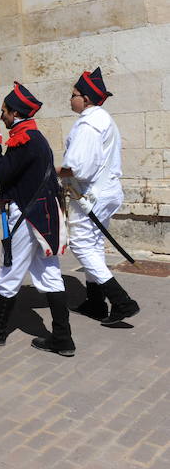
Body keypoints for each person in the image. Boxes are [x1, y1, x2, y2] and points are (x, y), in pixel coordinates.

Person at [0, 83, 74, 356]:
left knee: (9, 272)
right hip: (41, 215)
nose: (1, 116)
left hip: (28, 217)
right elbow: (22, 178)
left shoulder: (24, 139)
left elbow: (2, 173)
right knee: (50, 275)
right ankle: (63, 338)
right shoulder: (33, 137)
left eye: (4, 111)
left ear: (15, 112)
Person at [61, 68, 139, 325]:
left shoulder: (89, 123)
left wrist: (49, 170)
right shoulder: (103, 118)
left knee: (82, 245)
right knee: (93, 245)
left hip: (91, 195)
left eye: (73, 94)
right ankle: (95, 303)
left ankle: (121, 301)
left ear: (86, 98)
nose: (70, 99)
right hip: (105, 192)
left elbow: (77, 168)